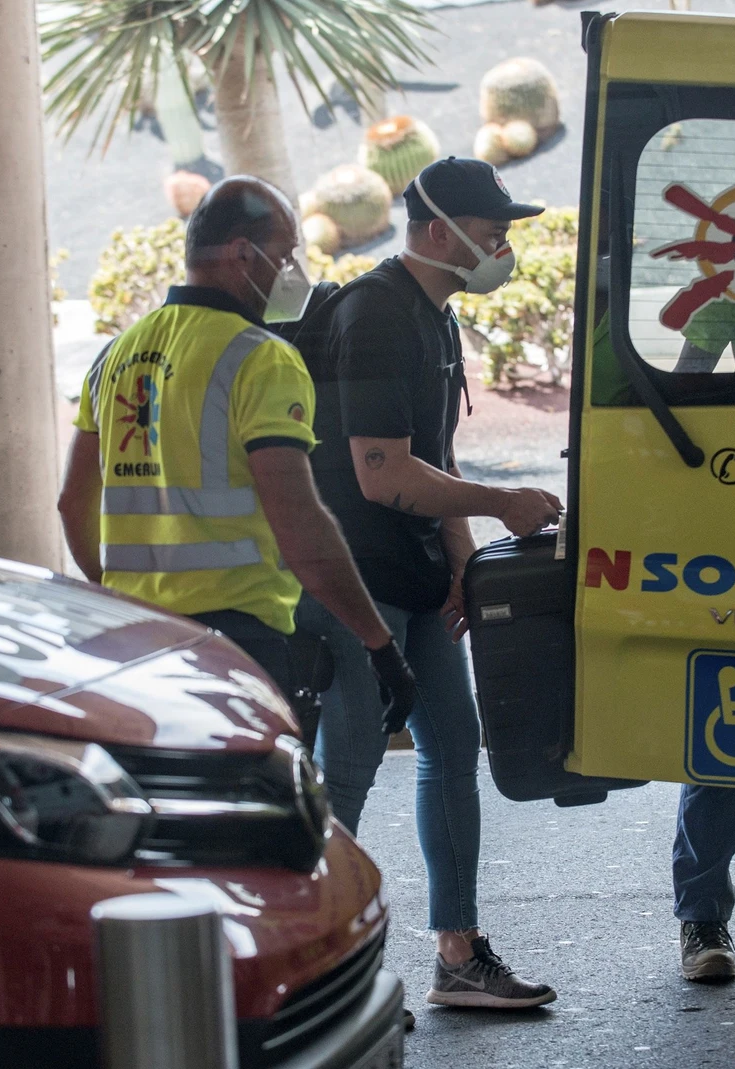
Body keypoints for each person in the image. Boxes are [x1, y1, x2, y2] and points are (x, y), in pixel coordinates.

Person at [289, 157, 560, 1010]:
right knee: (353, 768)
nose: (503, 246)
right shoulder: (374, 315)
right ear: (439, 230)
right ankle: (315, 963)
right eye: (492, 231)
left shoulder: (434, 319)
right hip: (353, 582)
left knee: (454, 743)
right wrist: (502, 502)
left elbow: (431, 458)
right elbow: (380, 474)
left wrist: (462, 559)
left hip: (412, 577)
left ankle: (458, 952)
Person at [57, 175, 416, 740]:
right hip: (233, 646)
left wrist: (119, 589)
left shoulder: (117, 354)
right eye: (285, 253)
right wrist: (380, 644)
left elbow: (71, 501)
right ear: (243, 256)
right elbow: (301, 530)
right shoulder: (261, 359)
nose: (292, 270)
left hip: (136, 636)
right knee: (252, 814)